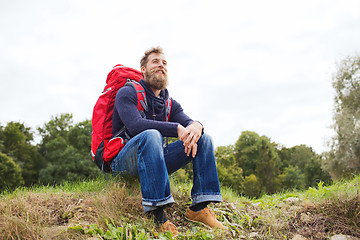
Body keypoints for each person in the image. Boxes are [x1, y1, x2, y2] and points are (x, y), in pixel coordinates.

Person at [110, 46, 224, 236]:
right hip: (124, 161)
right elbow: (135, 126)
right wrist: (175, 128)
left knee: (203, 139)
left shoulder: (169, 102)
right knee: (151, 134)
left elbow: (188, 123)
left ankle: (199, 208)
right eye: (155, 61)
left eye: (164, 63)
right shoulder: (127, 92)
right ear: (143, 69)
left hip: (154, 162)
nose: (161, 65)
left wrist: (197, 125)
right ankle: (156, 213)